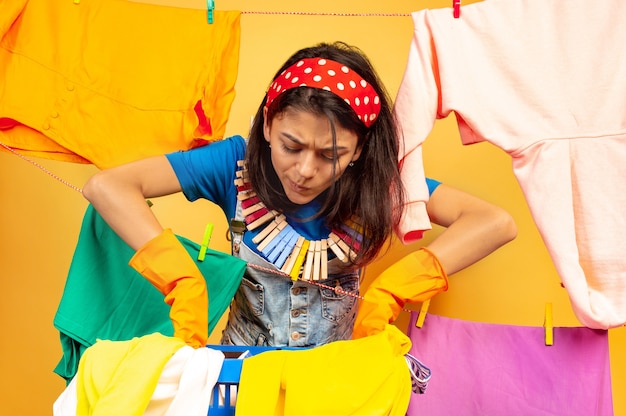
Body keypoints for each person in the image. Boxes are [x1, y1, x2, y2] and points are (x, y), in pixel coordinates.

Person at [82, 41, 516, 349]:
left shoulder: (379, 182)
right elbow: (107, 186)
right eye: (291, 146)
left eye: (331, 155)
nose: (305, 171)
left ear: (359, 150)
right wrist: (180, 277)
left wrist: (395, 290)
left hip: (334, 379)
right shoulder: (234, 163)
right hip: (241, 372)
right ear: (268, 124)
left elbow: (495, 222)